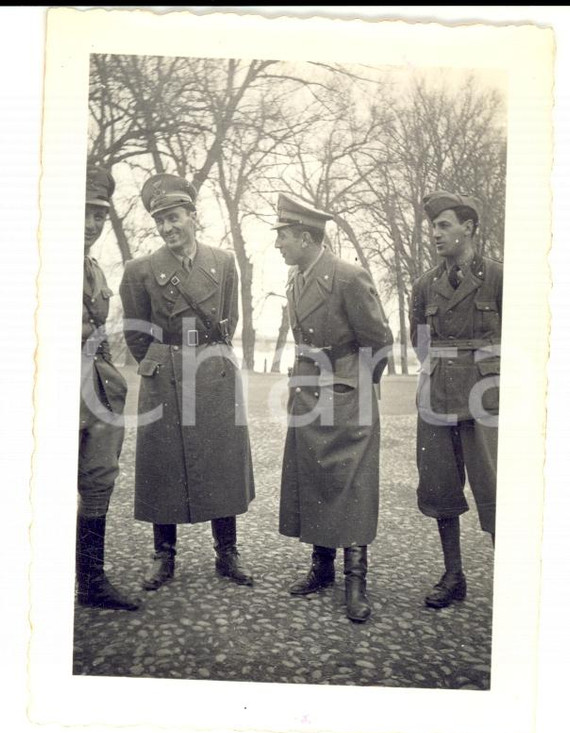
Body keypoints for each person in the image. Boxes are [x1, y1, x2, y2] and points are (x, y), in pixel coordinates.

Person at [119, 173, 255, 591]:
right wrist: (162, 363)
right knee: (162, 464)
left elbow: (228, 320)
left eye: (174, 217)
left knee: (222, 462)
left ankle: (227, 553)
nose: (167, 228)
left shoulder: (224, 262)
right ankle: (164, 557)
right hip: (166, 375)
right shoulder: (140, 270)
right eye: (160, 221)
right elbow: (136, 332)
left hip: (213, 372)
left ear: (193, 216)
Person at [273, 193, 393, 622]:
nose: (278, 245)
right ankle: (321, 569)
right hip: (307, 389)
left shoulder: (348, 276)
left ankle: (356, 580)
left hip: (347, 391)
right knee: (315, 477)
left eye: (283, 236)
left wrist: (359, 388)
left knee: (350, 483)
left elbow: (380, 341)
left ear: (305, 237)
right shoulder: (295, 279)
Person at [410, 190, 502, 609]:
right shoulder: (424, 285)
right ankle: (453, 574)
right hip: (437, 397)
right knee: (441, 488)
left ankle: (514, 577)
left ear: (469, 228)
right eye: (432, 227)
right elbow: (420, 341)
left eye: (444, 225)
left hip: (485, 400)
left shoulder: (499, 277)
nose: (435, 234)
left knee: (498, 489)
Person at [77, 165, 140, 610]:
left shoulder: (95, 270)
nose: (92, 224)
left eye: (99, 215)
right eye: (83, 212)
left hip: (96, 390)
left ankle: (91, 581)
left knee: (99, 481)